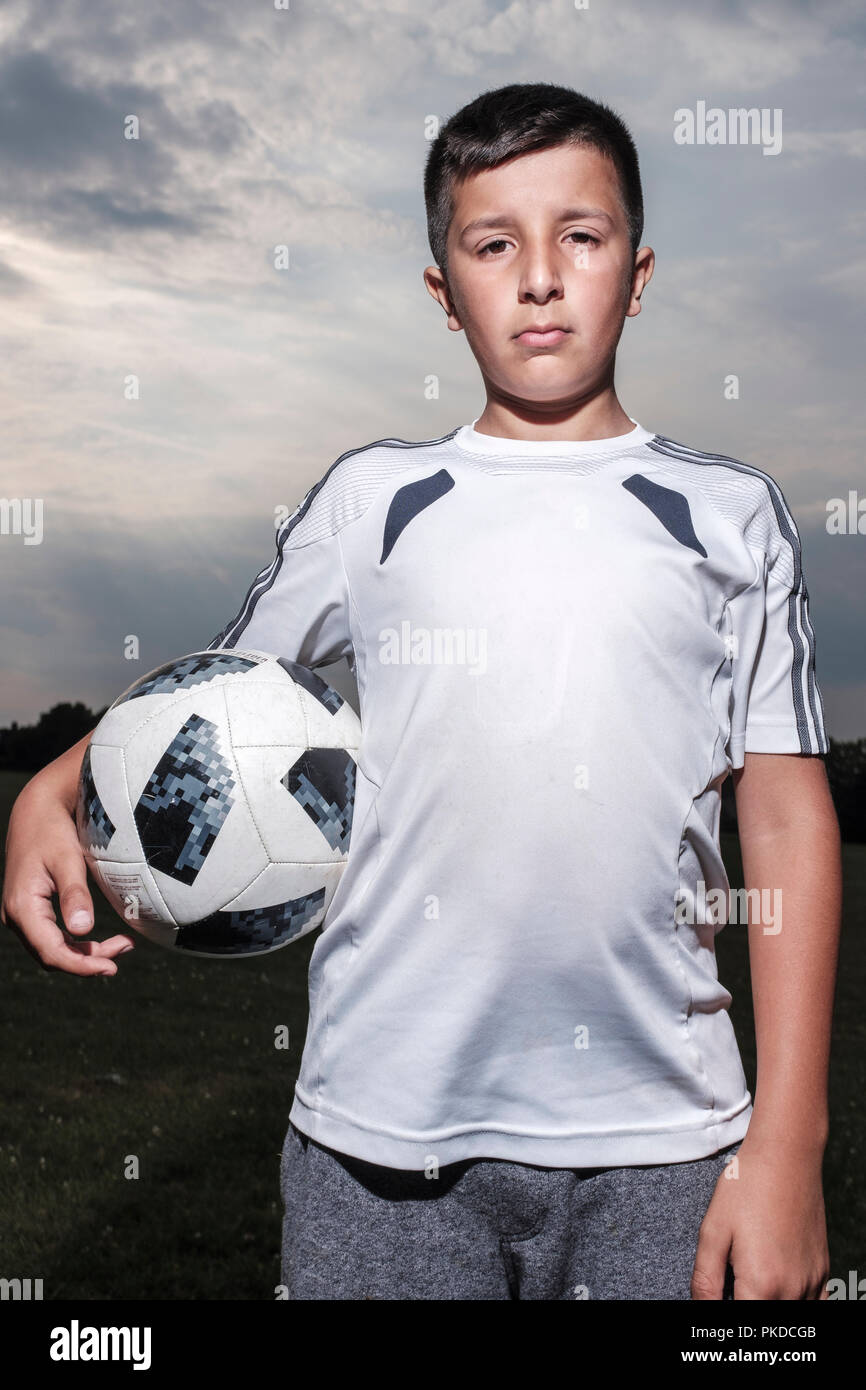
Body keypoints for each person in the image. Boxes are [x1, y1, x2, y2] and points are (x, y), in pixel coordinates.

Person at [1, 82, 841, 1301]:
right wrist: (53, 785)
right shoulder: (371, 500)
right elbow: (210, 700)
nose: (539, 276)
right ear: (444, 293)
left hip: (664, 1137)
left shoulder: (729, 514)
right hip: (378, 1132)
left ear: (639, 273)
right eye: (492, 244)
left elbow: (782, 817)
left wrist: (788, 1145)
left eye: (581, 236)